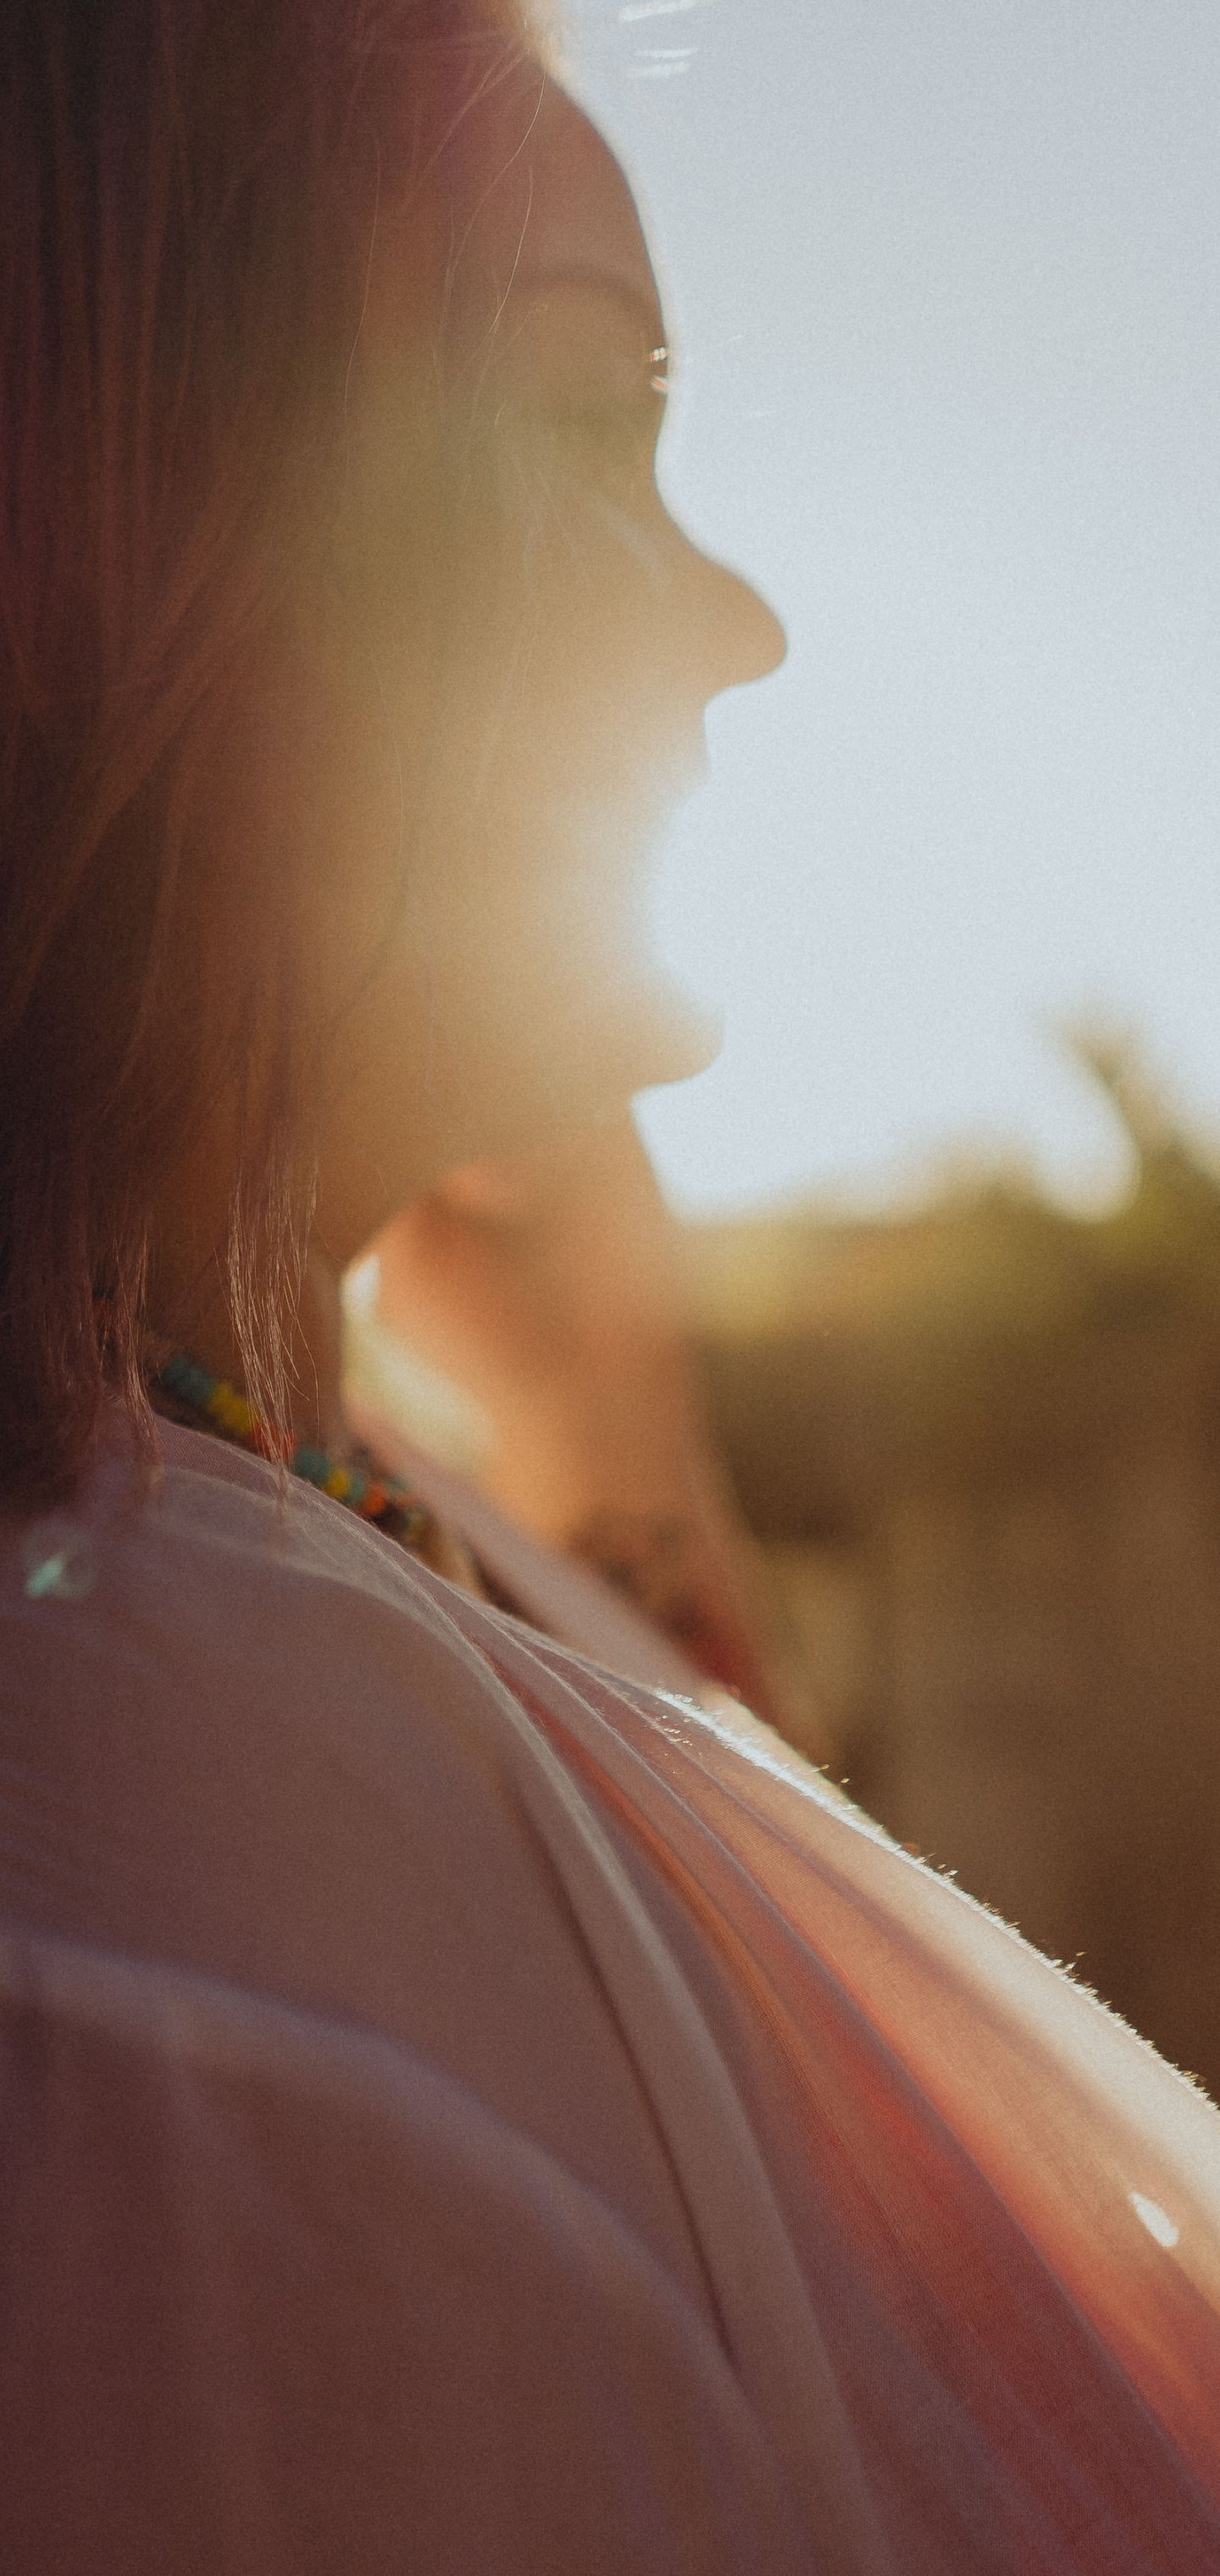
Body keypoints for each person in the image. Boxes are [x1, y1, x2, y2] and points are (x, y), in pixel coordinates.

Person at [2, 6, 1219, 2571]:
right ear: (137, 507)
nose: (744, 623)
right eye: (583, 423)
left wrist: (611, 1435)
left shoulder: (330, 1534)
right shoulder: (148, 1925)